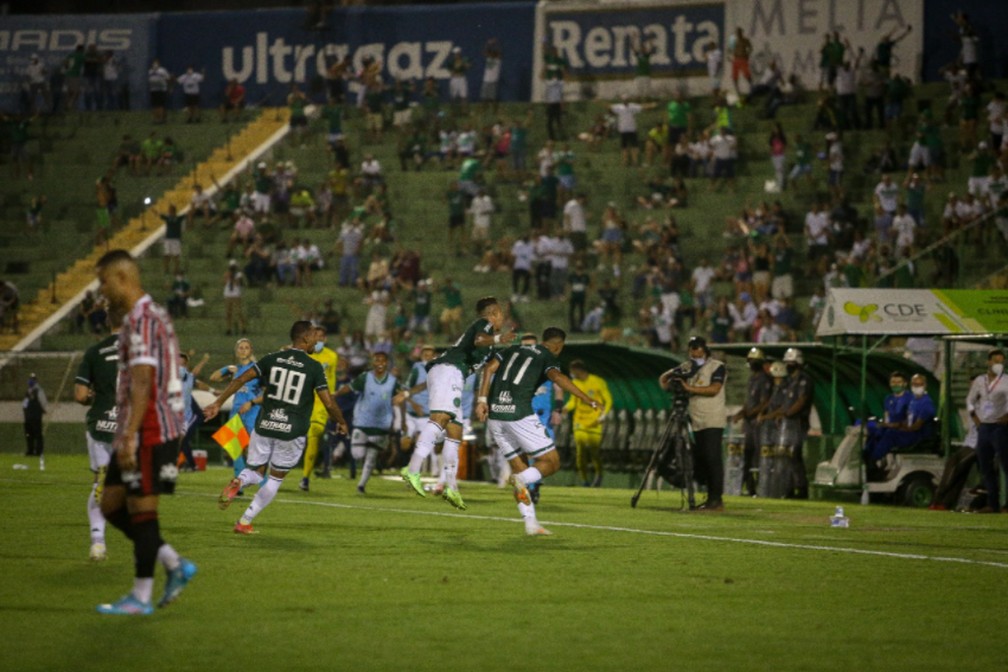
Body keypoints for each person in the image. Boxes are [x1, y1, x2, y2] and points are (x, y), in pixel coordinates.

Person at [93, 249, 195, 615]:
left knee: (142, 512)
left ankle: (140, 596)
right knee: (110, 506)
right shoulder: (143, 317)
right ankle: (173, 563)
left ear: (121, 278)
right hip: (137, 426)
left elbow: (143, 379)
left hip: (151, 427)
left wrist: (132, 435)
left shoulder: (143, 320)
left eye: (104, 281)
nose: (102, 291)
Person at [207, 321, 348, 533]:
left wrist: (218, 403)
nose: (316, 342)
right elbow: (328, 402)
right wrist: (342, 422)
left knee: (255, 471)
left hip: (264, 426)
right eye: (314, 337)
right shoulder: (314, 367)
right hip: (292, 430)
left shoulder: (271, 359)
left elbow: (240, 379)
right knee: (274, 478)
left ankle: (240, 480)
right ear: (305, 338)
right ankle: (244, 521)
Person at [476, 327, 600, 535]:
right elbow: (559, 379)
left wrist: (481, 400)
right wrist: (587, 399)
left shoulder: (511, 350)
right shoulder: (547, 357)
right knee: (551, 462)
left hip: (496, 416)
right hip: (520, 415)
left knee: (520, 468)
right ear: (559, 346)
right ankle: (523, 480)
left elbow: (489, 368)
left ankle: (530, 524)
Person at [396, 297, 516, 510]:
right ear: (493, 314)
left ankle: (451, 487)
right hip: (449, 369)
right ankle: (413, 468)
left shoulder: (489, 344)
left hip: (452, 374)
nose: (502, 319)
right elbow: (480, 339)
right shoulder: (483, 325)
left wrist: (481, 400)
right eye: (500, 315)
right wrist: (500, 337)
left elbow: (488, 368)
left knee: (455, 433)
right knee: (440, 419)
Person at [660, 336, 727, 510]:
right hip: (695, 419)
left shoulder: (717, 366)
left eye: (697, 347)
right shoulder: (687, 367)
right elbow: (663, 381)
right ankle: (709, 496)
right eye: (691, 348)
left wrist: (689, 388)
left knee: (713, 458)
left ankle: (716, 499)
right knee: (702, 458)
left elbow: (714, 389)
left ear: (705, 348)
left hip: (712, 418)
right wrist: (674, 372)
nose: (694, 351)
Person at [74, 315, 120, 561]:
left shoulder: (95, 351)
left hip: (100, 423)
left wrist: (95, 397)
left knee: (98, 482)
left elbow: (81, 395)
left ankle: (98, 542)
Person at [334, 351, 403, 494]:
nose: (380, 363)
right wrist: (336, 394)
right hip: (363, 422)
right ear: (373, 362)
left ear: (387, 363)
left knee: (371, 457)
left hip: (381, 425)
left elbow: (401, 397)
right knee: (358, 454)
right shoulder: (365, 378)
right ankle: (367, 447)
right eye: (377, 360)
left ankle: (361, 485)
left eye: (383, 361)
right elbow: (350, 387)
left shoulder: (392, 381)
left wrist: (401, 420)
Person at [209, 338, 262, 480]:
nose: (243, 350)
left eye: (246, 347)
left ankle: (263, 483)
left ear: (251, 350)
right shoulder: (235, 370)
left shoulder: (257, 368)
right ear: (236, 351)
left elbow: (267, 391)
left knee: (254, 448)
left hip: (253, 410)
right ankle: (239, 483)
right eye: (240, 348)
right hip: (236, 410)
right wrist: (227, 368)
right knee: (234, 447)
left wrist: (252, 402)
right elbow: (213, 377)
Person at [965, 349, 1008, 513]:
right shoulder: (979, 380)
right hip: (985, 428)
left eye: (1001, 361)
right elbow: (970, 399)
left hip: (1000, 427)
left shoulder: (1006, 380)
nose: (998, 364)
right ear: (988, 362)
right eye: (996, 361)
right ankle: (993, 504)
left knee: (1006, 465)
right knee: (985, 467)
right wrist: (976, 419)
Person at [299, 326, 339, 492]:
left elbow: (332, 381)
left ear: (325, 339)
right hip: (302, 400)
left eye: (322, 336)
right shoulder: (303, 353)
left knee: (314, 435)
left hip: (320, 402)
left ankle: (305, 478)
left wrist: (331, 406)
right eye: (316, 336)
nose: (319, 339)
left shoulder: (331, 356)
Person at [564, 359, 613, 487]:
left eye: (572, 371)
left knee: (594, 452)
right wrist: (565, 408)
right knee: (580, 449)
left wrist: (603, 415)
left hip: (595, 421)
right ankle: (584, 480)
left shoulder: (597, 381)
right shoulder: (574, 383)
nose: (571, 373)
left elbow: (608, 400)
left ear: (579, 370)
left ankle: (599, 474)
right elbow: (573, 402)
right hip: (579, 420)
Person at [734, 347, 771, 496]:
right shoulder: (751, 379)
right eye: (751, 360)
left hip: (759, 424)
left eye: (754, 360)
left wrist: (751, 413)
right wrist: (741, 414)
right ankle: (748, 487)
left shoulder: (765, 379)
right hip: (749, 423)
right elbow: (748, 402)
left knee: (758, 456)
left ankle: (759, 488)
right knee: (747, 455)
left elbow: (766, 402)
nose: (752, 363)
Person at [779, 347, 813, 499]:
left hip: (798, 422)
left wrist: (788, 413)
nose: (788, 365)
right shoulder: (789, 381)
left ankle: (801, 488)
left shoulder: (804, 379)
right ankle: (790, 487)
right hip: (788, 423)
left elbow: (802, 400)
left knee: (795, 455)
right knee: (788, 456)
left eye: (790, 362)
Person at [863, 371, 912, 472]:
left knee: (890, 434)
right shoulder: (888, 398)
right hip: (890, 427)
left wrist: (896, 425)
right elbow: (887, 417)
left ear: (905, 384)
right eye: (893, 382)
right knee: (872, 431)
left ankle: (873, 459)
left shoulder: (910, 398)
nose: (896, 385)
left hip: (904, 430)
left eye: (899, 382)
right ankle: (865, 457)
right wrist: (883, 424)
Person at [22, 373, 47, 468]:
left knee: (37, 434)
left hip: (36, 416)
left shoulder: (39, 391)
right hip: (28, 417)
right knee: (29, 434)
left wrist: (43, 409)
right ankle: (30, 450)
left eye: (32, 379)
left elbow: (43, 402)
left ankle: (39, 451)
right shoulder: (28, 391)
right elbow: (24, 403)